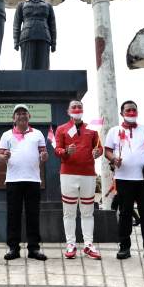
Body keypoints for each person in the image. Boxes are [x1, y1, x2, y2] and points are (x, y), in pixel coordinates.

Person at [105, 100, 144, 261]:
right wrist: (114, 158)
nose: (131, 112)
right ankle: (124, 247)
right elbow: (107, 151)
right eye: (128, 110)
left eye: (134, 110)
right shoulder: (114, 131)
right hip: (123, 178)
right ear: (122, 113)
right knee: (125, 214)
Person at [0, 104, 48, 261]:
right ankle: (13, 248)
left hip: (33, 180)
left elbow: (43, 154)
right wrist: (4, 156)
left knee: (33, 215)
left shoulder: (38, 134)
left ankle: (34, 248)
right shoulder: (6, 135)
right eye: (18, 113)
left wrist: (44, 156)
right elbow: (0, 155)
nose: (21, 115)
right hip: (13, 180)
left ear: (29, 117)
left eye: (24, 113)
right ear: (14, 118)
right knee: (13, 216)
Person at [54, 100, 102, 259]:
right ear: (68, 111)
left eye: (79, 106)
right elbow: (57, 150)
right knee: (69, 212)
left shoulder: (92, 129)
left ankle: (88, 244)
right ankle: (71, 244)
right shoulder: (61, 129)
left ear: (83, 110)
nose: (77, 109)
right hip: (68, 173)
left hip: (88, 174)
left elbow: (99, 148)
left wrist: (98, 152)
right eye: (73, 107)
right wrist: (66, 151)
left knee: (88, 211)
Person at [13, 0, 57, 70]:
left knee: (43, 68)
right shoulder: (21, 5)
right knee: (27, 68)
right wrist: (15, 41)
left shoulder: (48, 6)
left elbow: (52, 25)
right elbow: (16, 24)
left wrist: (54, 42)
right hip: (27, 37)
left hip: (44, 37)